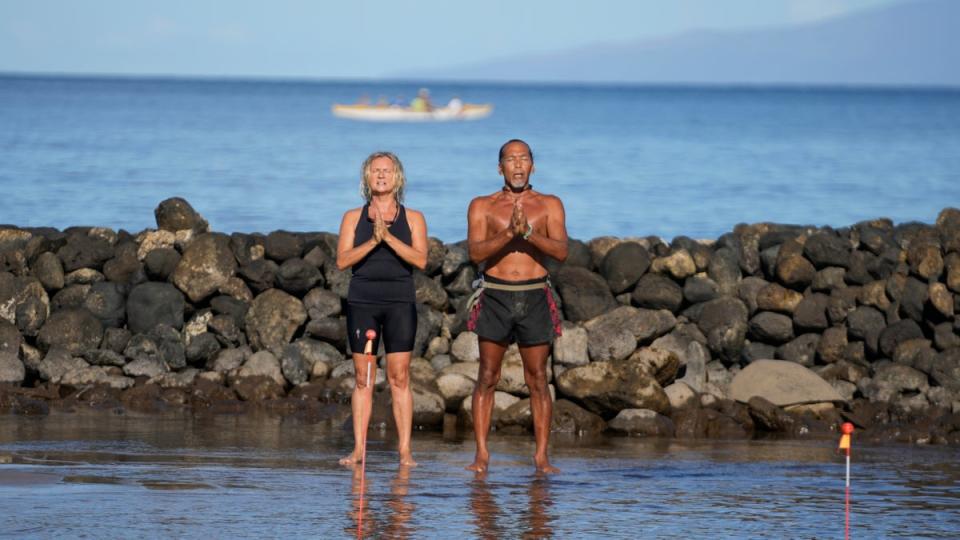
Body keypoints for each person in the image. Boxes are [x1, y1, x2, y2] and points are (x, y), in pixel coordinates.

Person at [465, 139, 568, 474]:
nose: (518, 165)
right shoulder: (482, 205)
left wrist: (528, 234)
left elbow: (561, 251)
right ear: (500, 168)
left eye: (524, 158)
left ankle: (541, 457)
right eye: (511, 159)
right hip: (495, 294)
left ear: (533, 166)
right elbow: (476, 253)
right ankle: (481, 454)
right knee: (487, 376)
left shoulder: (550, 204)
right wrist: (510, 232)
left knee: (537, 378)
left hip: (535, 294)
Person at [337, 151, 428, 467]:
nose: (380, 175)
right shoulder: (352, 217)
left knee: (399, 376)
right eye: (375, 170)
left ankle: (405, 451)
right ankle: (359, 450)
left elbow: (420, 260)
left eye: (386, 170)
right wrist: (373, 242)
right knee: (363, 377)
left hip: (400, 302)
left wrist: (387, 237)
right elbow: (342, 260)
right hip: (363, 301)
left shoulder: (413, 217)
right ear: (366, 177)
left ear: (397, 177)